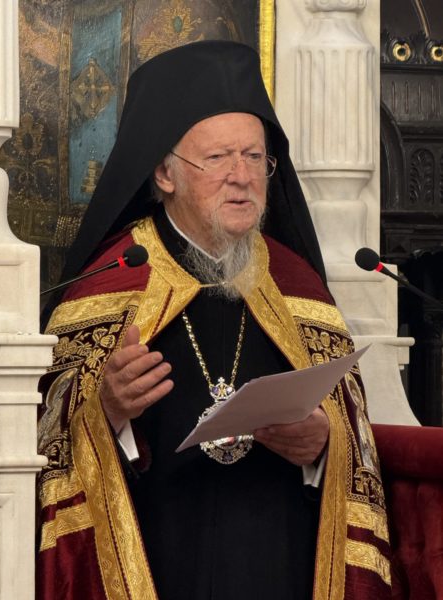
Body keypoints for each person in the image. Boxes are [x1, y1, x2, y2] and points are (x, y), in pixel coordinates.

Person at [37, 41, 391, 600]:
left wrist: (324, 448)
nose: (241, 176)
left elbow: (354, 447)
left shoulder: (297, 284)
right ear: (165, 173)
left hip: (278, 559)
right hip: (159, 556)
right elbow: (47, 445)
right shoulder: (111, 282)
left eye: (254, 157)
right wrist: (108, 410)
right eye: (219, 157)